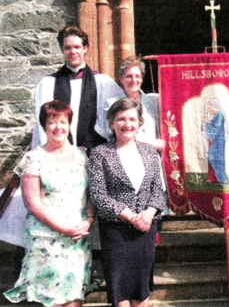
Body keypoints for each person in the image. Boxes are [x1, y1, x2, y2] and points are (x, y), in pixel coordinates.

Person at [0, 25, 124, 249]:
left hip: (91, 154)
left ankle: (94, 258)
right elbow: (42, 126)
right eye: (68, 48)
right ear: (62, 50)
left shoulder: (103, 82)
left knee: (90, 203)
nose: (73, 51)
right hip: (57, 156)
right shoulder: (48, 83)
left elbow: (115, 119)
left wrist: (89, 145)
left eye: (77, 47)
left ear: (86, 48)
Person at [3, 101, 96, 307]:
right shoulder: (35, 159)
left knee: (74, 298)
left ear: (69, 124)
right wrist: (63, 227)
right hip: (46, 240)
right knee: (49, 300)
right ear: (44, 126)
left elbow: (91, 195)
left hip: (76, 240)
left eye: (63, 122)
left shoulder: (81, 156)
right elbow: (33, 203)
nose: (58, 127)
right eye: (52, 122)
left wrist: (89, 220)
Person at [89, 98, 165, 307]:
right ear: (112, 123)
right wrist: (131, 216)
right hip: (116, 231)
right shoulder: (100, 154)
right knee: (120, 292)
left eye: (132, 119)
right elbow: (98, 194)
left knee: (141, 292)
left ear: (140, 124)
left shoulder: (150, 152)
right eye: (121, 119)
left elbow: (157, 189)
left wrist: (149, 214)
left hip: (145, 230)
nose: (127, 124)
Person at [202, 97, 229, 184]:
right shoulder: (216, 115)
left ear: (215, 106)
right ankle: (212, 178)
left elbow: (215, 129)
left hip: (217, 142)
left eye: (211, 106)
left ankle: (221, 179)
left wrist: (206, 123)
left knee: (217, 160)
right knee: (211, 159)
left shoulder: (220, 115)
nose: (210, 108)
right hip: (213, 141)